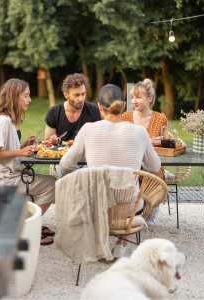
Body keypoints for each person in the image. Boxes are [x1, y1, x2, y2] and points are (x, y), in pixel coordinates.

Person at [59, 84, 161, 259]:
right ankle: (121, 245)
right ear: (123, 106)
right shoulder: (140, 132)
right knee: (131, 194)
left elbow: (65, 164)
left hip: (95, 207)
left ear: (99, 106)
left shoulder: (88, 129)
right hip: (129, 210)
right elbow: (155, 167)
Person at [0, 79, 56, 246]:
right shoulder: (3, 121)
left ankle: (29, 221)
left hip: (11, 175)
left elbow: (5, 150)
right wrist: (20, 151)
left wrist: (23, 145)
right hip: (3, 180)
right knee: (53, 185)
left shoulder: (9, 120)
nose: (29, 100)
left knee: (46, 183)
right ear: (15, 97)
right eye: (26, 96)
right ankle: (27, 228)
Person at [121, 78, 170, 226]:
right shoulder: (125, 117)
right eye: (132, 98)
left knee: (155, 172)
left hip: (151, 164)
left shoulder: (160, 118)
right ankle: (131, 209)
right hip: (131, 163)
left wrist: (157, 142)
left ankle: (152, 206)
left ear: (149, 99)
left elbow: (165, 147)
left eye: (138, 97)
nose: (134, 101)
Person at [44, 73, 101, 178]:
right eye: (76, 95)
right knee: (68, 172)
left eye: (83, 94)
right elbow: (46, 141)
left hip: (88, 161)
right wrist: (52, 141)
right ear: (66, 95)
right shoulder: (54, 112)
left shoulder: (94, 111)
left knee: (91, 173)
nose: (81, 99)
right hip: (65, 160)